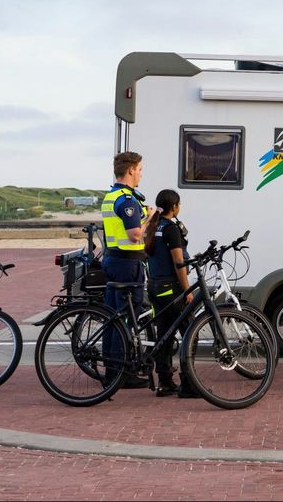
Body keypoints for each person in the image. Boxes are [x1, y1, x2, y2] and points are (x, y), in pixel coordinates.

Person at [101, 151, 157, 389]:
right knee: (125, 319)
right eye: (140, 169)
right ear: (131, 169)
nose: (141, 174)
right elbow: (135, 236)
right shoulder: (126, 200)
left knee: (112, 319)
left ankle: (111, 372)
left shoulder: (110, 196)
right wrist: (150, 217)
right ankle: (121, 375)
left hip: (113, 260)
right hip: (127, 263)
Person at [144, 189, 198, 398]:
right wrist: (187, 290)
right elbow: (178, 262)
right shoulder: (172, 230)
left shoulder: (154, 225)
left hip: (155, 287)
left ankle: (164, 382)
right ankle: (189, 385)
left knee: (164, 334)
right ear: (174, 207)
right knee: (189, 332)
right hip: (171, 288)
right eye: (179, 204)